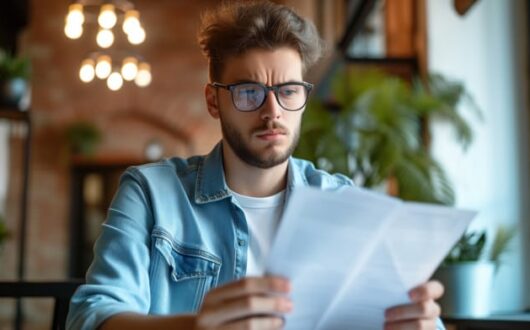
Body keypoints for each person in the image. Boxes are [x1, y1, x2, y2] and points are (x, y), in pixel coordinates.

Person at [67, 1, 445, 329]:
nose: (273, 111)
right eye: (250, 92)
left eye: (288, 91)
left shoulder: (341, 200)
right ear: (214, 101)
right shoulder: (152, 193)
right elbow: (91, 316)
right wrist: (196, 328)